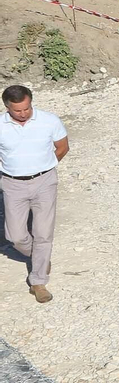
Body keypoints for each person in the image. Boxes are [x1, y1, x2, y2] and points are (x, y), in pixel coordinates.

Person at [0, 85, 68, 303]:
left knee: (43, 233)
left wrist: (46, 166)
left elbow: (62, 146)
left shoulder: (50, 121)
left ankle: (38, 281)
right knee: (15, 236)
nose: (23, 114)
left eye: (27, 108)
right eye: (17, 110)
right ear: (7, 108)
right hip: (12, 184)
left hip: (45, 181)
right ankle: (38, 256)